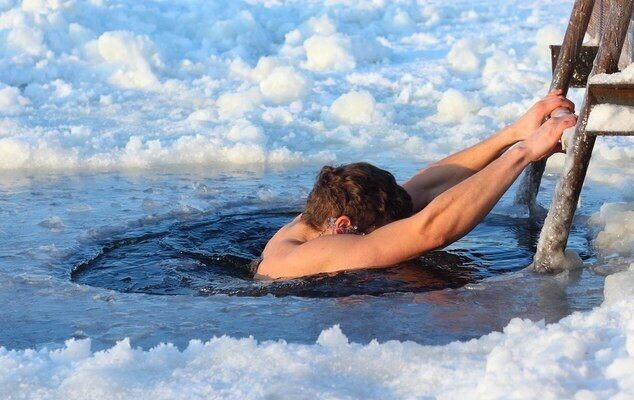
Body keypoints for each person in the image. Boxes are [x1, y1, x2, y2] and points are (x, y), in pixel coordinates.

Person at [256, 90, 576, 279]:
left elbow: (423, 189)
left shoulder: (322, 217)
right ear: (343, 226)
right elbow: (430, 231)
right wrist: (523, 154)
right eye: (384, 227)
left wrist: (514, 134)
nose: (396, 224)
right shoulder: (314, 253)